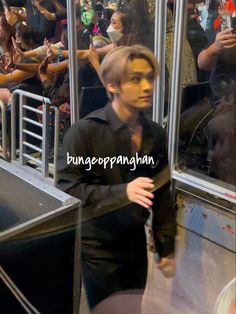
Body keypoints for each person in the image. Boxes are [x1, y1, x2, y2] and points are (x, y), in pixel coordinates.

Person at [57, 45, 177, 310]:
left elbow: (161, 192)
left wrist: (166, 246)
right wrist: (122, 192)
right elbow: (68, 190)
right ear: (112, 85)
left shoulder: (155, 134)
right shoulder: (84, 133)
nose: (146, 86)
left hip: (133, 243)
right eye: (135, 79)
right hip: (98, 246)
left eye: (150, 78)